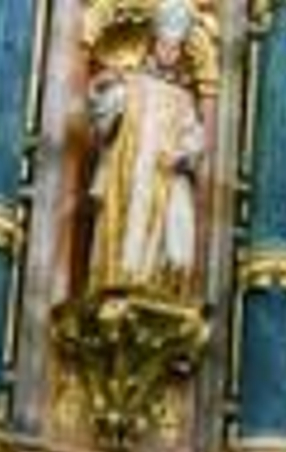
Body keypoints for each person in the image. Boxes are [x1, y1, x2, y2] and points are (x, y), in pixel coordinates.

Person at [86, 0, 208, 296]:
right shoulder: (131, 83)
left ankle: (157, 286)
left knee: (176, 246)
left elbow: (195, 138)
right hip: (127, 171)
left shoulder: (183, 98)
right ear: (154, 45)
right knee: (127, 231)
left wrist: (183, 155)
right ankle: (119, 282)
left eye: (175, 47)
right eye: (165, 45)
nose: (169, 52)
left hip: (165, 175)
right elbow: (101, 116)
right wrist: (102, 87)